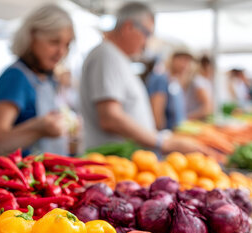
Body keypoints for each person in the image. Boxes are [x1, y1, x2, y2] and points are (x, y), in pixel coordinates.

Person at [79, 2, 209, 154]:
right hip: (112, 162)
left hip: (123, 162)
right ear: (128, 27)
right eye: (146, 34)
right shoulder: (106, 56)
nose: (146, 43)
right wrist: (162, 142)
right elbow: (110, 117)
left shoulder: (117, 57)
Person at [0, 4, 74, 156]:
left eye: (67, 44)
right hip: (25, 175)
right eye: (54, 42)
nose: (61, 52)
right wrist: (37, 128)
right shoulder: (16, 77)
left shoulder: (47, 77)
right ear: (32, 37)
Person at [146, 50, 192, 130]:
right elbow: (157, 113)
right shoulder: (161, 79)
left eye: (187, 61)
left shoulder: (175, 81)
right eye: (181, 60)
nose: (185, 65)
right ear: (172, 60)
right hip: (166, 134)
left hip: (177, 131)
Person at [185, 55, 214, 120]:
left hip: (196, 120)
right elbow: (208, 108)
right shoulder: (199, 81)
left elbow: (208, 108)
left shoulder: (202, 81)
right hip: (196, 120)